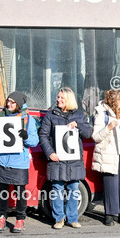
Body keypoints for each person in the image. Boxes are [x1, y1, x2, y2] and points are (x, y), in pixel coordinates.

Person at [39, 87, 93, 229]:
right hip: (57, 159)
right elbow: (43, 136)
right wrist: (49, 152)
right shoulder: (50, 115)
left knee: (74, 189)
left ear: (68, 100)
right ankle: (59, 219)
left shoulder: (80, 115)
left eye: (62, 98)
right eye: (58, 97)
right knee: (56, 189)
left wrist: (78, 125)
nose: (58, 100)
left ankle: (72, 218)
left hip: (74, 160)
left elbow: (88, 132)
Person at [0, 91, 38, 233]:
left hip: (19, 161)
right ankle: (1, 217)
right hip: (1, 160)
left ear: (18, 104)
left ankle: (20, 219)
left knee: (20, 193)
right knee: (2, 192)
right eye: (8, 101)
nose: (8, 104)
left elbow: (34, 141)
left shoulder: (28, 119)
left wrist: (26, 137)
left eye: (12, 102)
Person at [92, 89, 120, 226]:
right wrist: (109, 127)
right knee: (110, 184)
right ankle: (109, 213)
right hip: (109, 153)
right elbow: (95, 136)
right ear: (115, 101)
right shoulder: (101, 113)